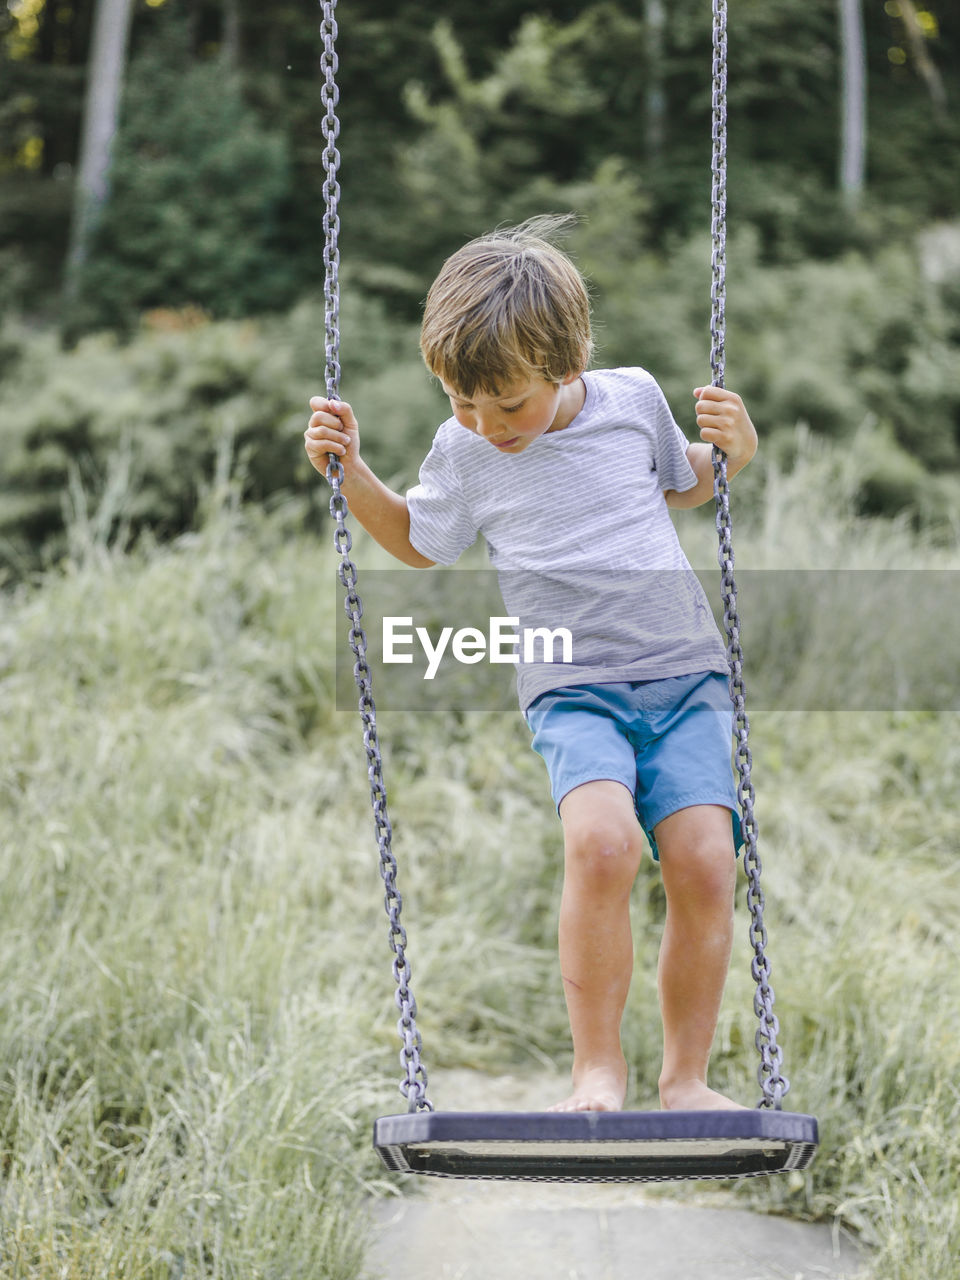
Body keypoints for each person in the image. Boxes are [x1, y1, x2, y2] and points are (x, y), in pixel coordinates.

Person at [305, 217, 758, 1113]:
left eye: (508, 403)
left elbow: (685, 479)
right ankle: (596, 1071)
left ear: (569, 361)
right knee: (601, 845)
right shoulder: (465, 450)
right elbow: (420, 542)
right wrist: (351, 472)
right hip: (571, 683)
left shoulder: (630, 399)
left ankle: (686, 1081)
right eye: (462, 402)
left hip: (684, 671)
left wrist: (735, 451)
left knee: (707, 862)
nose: (486, 423)